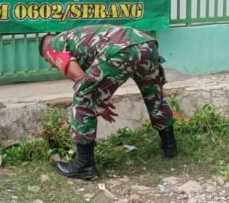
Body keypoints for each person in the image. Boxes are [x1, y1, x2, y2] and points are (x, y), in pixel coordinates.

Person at [39, 24, 176, 180]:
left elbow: (80, 80)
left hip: (119, 49)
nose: (50, 64)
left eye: (47, 60)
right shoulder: (75, 37)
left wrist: (97, 101)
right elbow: (94, 82)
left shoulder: (54, 45)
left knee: (82, 97)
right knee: (154, 95)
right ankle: (170, 146)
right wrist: (99, 100)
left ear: (46, 50)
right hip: (146, 43)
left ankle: (84, 165)